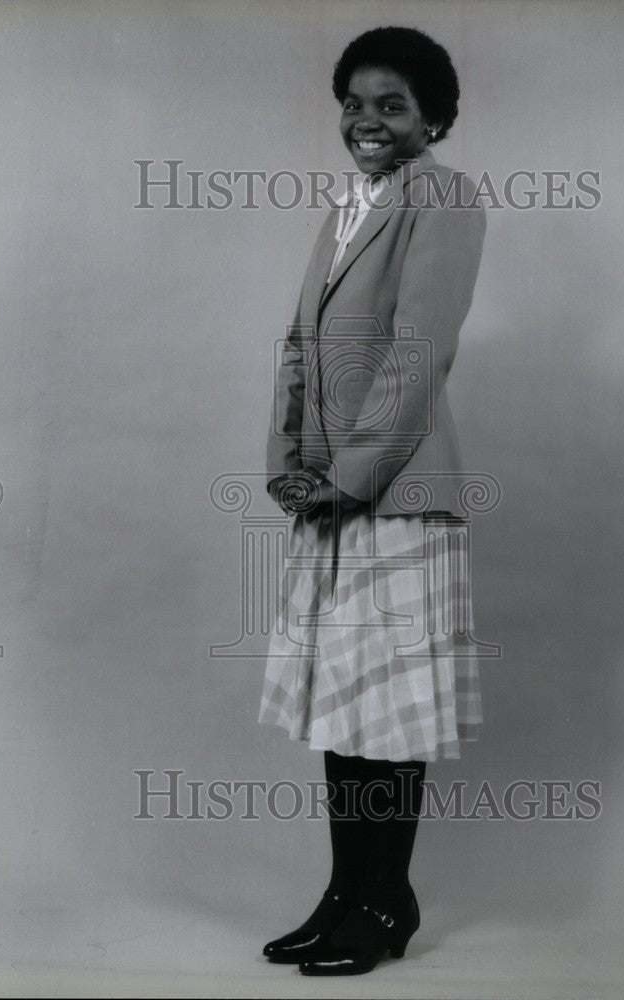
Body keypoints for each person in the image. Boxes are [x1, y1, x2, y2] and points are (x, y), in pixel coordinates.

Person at [257, 25, 486, 976]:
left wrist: (348, 477)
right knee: (341, 710)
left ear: (431, 116)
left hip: (393, 494)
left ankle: (386, 904)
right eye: (353, 102)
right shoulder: (347, 206)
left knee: (383, 714)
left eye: (391, 104)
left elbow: (416, 351)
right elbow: (300, 344)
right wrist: (287, 462)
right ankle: (345, 894)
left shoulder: (443, 195)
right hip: (332, 494)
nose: (366, 121)